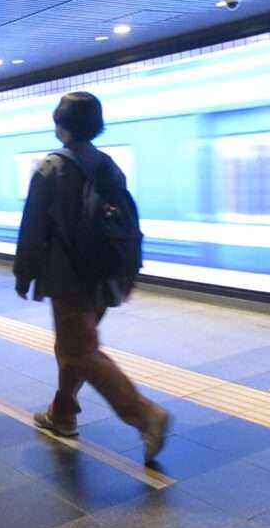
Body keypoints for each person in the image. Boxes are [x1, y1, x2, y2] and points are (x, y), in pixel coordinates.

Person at [14, 92, 169, 462]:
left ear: (60, 123)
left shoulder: (51, 168)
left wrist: (24, 273)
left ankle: (145, 414)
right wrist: (130, 270)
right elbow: (127, 219)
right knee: (72, 346)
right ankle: (63, 413)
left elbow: (32, 228)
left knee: (78, 350)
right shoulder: (108, 165)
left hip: (69, 278)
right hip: (107, 274)